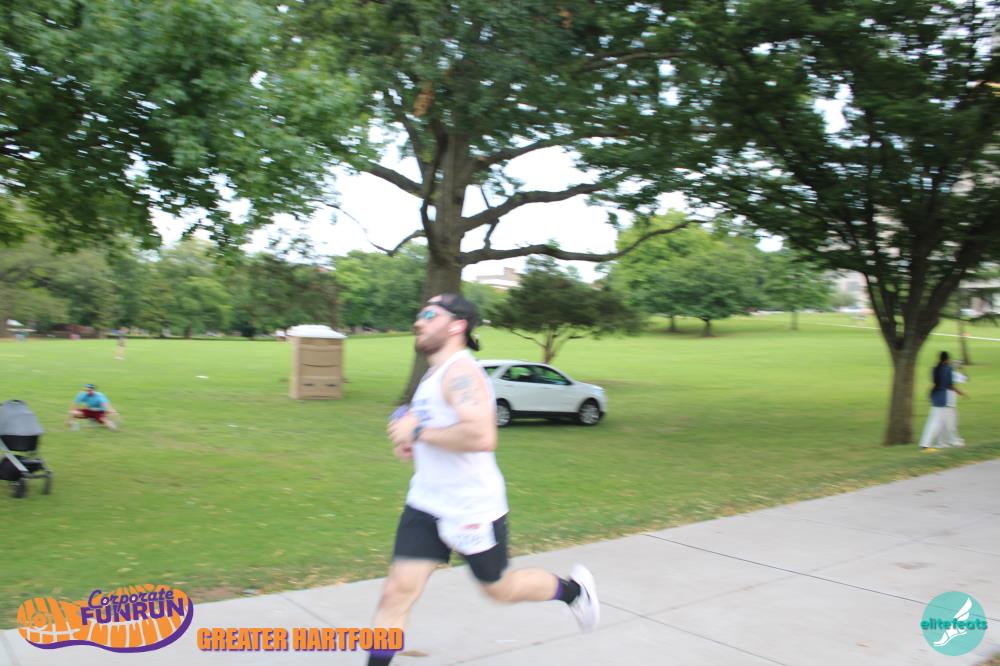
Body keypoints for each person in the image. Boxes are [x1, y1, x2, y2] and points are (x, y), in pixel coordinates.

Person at [369, 294, 598, 666]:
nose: (418, 321)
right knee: (395, 595)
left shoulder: (462, 372)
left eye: (430, 314)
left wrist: (419, 432)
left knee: (500, 589)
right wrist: (414, 441)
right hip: (426, 504)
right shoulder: (434, 374)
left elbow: (482, 436)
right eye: (419, 314)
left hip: (471, 510)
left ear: (457, 325)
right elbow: (439, 429)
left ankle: (574, 592)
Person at [918, 352, 966, 452]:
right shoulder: (948, 369)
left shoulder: (935, 369)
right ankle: (954, 442)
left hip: (936, 397)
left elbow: (938, 382)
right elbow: (950, 385)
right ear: (947, 359)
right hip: (946, 400)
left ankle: (933, 444)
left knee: (937, 422)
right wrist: (961, 393)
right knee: (947, 422)